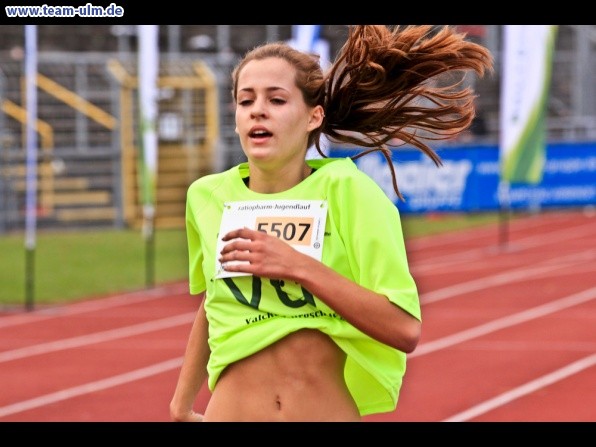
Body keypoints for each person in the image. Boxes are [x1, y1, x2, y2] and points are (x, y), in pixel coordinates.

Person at [170, 24, 493, 422]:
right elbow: (215, 301)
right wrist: (181, 403)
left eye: (276, 99)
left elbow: (404, 329)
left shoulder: (348, 192)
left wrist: (297, 266)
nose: (257, 110)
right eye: (245, 100)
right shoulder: (206, 197)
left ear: (313, 117)